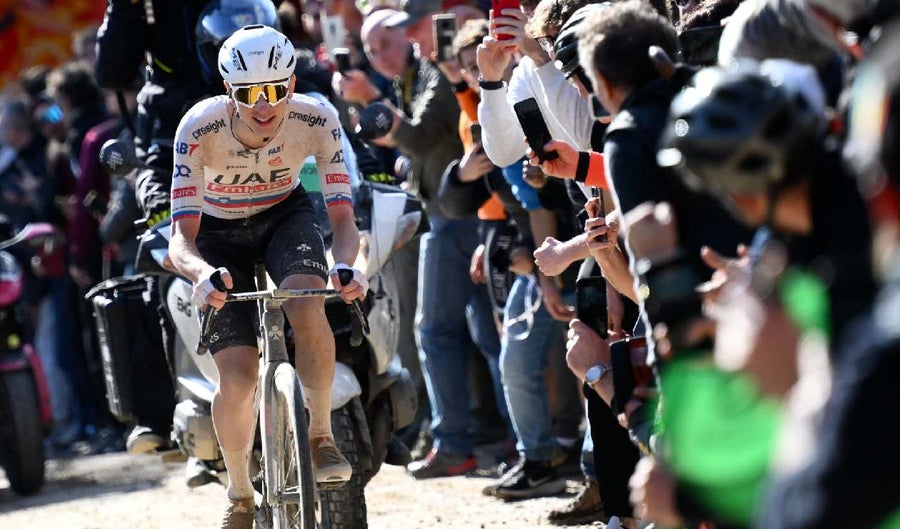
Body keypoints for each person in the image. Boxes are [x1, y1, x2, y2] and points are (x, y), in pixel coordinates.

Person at [166, 25, 366, 529]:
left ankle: (321, 437)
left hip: (284, 217)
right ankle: (239, 494)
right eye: (248, 93)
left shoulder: (317, 118)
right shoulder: (198, 128)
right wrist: (201, 272)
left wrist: (348, 266)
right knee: (237, 376)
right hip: (216, 236)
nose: (263, 105)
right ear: (227, 91)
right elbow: (180, 238)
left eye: (275, 90)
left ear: (292, 85)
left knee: (307, 304)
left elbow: (344, 220)